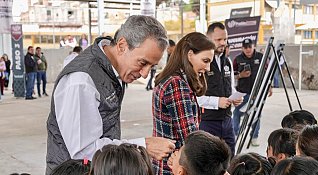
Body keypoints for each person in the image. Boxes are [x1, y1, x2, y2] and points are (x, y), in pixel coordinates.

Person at [46, 15, 175, 174]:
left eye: (152, 66)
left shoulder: (113, 70)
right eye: (142, 63)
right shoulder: (81, 80)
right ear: (122, 45)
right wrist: (143, 146)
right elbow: (83, 151)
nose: (145, 74)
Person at [152, 32, 215, 175]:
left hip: (169, 164)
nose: (208, 68)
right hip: (173, 167)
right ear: (190, 54)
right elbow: (190, 135)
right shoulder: (176, 84)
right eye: (205, 61)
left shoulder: (175, 80)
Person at [197, 22, 242, 155]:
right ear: (208, 38)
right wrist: (217, 102)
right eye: (218, 40)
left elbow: (231, 87)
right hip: (207, 122)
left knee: (230, 157)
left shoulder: (227, 61)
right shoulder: (200, 63)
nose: (223, 43)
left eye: (225, 39)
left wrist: (235, 97)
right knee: (209, 161)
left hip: (227, 121)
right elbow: (194, 97)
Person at [233, 38, 272, 146]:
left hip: (257, 93)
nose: (248, 49)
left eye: (249, 47)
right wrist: (240, 75)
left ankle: (254, 137)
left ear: (253, 46)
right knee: (236, 113)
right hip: (242, 93)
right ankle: (235, 134)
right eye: (245, 47)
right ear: (242, 48)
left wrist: (269, 86)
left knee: (256, 115)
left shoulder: (261, 57)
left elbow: (268, 73)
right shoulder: (237, 59)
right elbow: (232, 76)